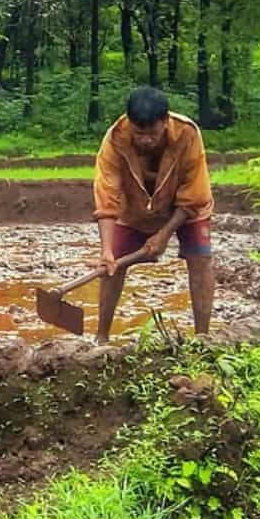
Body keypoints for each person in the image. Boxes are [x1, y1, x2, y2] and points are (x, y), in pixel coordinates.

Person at [93, 86, 214, 344]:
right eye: (139, 134)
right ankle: (101, 338)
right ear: (130, 124)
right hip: (135, 206)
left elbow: (193, 194)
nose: (146, 140)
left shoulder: (187, 134)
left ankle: (203, 338)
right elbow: (107, 197)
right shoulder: (115, 139)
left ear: (165, 122)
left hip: (186, 209)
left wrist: (164, 234)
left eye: (153, 134)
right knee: (112, 265)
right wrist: (106, 251)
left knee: (200, 258)